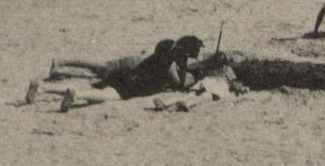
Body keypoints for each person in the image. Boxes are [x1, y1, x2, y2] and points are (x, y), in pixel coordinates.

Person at [26, 36, 207, 112]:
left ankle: (44, 87)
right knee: (104, 95)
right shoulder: (169, 68)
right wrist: (192, 70)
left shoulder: (161, 51)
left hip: (124, 74)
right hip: (134, 87)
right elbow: (180, 84)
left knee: (94, 84)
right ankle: (76, 95)